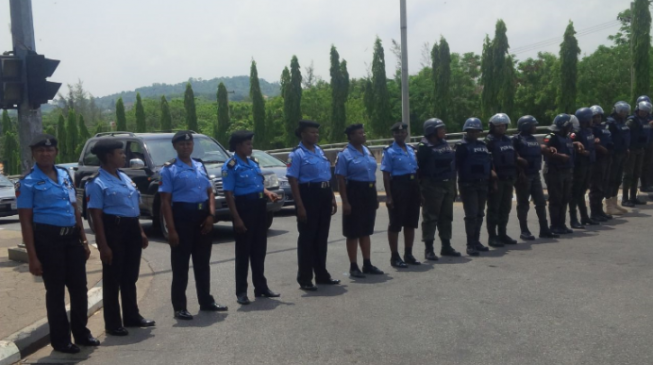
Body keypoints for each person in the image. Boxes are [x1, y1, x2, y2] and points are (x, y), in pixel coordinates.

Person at [16, 134, 99, 353]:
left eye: (49, 150)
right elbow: (25, 221)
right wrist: (32, 256)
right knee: (55, 292)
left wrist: (83, 240)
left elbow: (75, 209)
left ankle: (82, 333)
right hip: (47, 240)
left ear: (56, 152)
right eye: (40, 151)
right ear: (33, 154)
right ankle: (61, 341)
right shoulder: (27, 182)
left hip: (72, 238)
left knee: (79, 288)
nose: (45, 154)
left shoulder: (64, 174)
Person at [86, 138, 155, 335]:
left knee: (130, 276)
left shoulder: (124, 177)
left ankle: (132, 316)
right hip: (113, 230)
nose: (124, 156)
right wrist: (103, 244)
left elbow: (133, 208)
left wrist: (140, 231)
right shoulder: (97, 182)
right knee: (112, 278)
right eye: (120, 153)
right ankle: (113, 322)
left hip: (131, 228)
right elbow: (96, 215)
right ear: (108, 156)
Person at [159, 131, 227, 319]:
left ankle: (206, 301)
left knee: (202, 263)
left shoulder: (199, 165)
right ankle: (179, 307)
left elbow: (210, 191)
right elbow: (165, 201)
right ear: (175, 147)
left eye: (189, 144)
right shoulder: (169, 169)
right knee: (181, 266)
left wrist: (211, 215)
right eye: (182, 144)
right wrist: (171, 229)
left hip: (203, 215)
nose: (186, 147)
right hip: (182, 217)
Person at [223, 131, 282, 304]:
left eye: (251, 143)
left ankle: (261, 287)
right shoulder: (231, 166)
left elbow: (257, 185)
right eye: (248, 144)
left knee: (259, 249)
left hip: (259, 207)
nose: (251, 146)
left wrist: (268, 193)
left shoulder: (252, 163)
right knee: (243, 252)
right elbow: (228, 194)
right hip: (243, 208)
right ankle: (241, 291)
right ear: (238, 146)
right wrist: (237, 219)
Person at [287, 120, 340, 291]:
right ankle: (305, 277)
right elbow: (293, 180)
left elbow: (326, 176)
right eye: (311, 132)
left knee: (321, 237)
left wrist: (331, 196)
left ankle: (321, 274)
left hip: (324, 194)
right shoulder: (297, 154)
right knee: (307, 238)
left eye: (317, 132)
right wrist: (300, 205)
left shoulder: (319, 151)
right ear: (302, 134)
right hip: (307, 195)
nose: (315, 135)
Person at [335, 124, 384, 277]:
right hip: (354, 192)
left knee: (366, 230)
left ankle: (367, 263)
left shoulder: (367, 151)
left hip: (368, 191)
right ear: (351, 136)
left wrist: (375, 195)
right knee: (353, 231)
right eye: (359, 133)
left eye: (364, 132)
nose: (363, 135)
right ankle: (353, 266)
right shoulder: (344, 154)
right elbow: (341, 179)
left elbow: (372, 175)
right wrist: (345, 201)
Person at [416, 118, 461, 260]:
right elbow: (418, 170)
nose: (444, 130)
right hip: (431, 185)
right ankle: (429, 249)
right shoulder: (424, 147)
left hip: (447, 184)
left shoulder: (445, 144)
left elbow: (452, 167)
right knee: (430, 218)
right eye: (440, 128)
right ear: (431, 131)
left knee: (446, 217)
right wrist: (420, 190)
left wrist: (454, 187)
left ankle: (446, 245)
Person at [381, 122, 422, 267]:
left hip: (412, 186)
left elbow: (416, 171)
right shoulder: (389, 151)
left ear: (406, 133)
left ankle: (408, 253)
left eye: (403, 132)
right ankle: (395, 256)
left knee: (411, 222)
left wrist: (419, 192)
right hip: (398, 186)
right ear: (393, 135)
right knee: (395, 223)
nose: (400, 134)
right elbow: (386, 175)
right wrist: (389, 196)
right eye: (397, 133)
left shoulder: (411, 149)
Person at [513, 116, 559, 240]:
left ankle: (544, 229)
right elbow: (513, 156)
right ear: (526, 126)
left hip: (535, 174)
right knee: (523, 204)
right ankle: (524, 230)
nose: (535, 127)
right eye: (533, 125)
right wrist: (519, 172)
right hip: (524, 175)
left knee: (541, 202)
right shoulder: (517, 139)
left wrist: (547, 149)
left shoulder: (533, 139)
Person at [456, 118, 493, 256]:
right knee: (471, 215)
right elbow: (456, 167)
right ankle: (470, 244)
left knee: (479, 214)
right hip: (468, 184)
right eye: (471, 130)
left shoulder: (483, 145)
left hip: (482, 183)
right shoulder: (461, 146)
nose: (474, 133)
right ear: (467, 130)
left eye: (476, 130)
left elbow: (488, 164)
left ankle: (476, 241)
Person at [485, 113, 518, 247]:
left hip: (509, 177)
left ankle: (502, 234)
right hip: (496, 179)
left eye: (503, 126)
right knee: (494, 208)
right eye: (498, 126)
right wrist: (492, 178)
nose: (501, 128)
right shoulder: (489, 141)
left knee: (506, 208)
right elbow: (486, 160)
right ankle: (492, 236)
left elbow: (514, 157)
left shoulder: (508, 140)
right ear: (492, 127)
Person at [543, 114, 580, 235]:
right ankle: (554, 225)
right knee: (556, 199)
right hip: (555, 171)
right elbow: (545, 149)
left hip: (567, 171)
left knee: (565, 199)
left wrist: (576, 144)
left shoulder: (567, 137)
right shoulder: (552, 136)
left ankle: (562, 224)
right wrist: (559, 156)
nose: (571, 128)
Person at [569, 107, 599, 229]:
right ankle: (573, 219)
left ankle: (584, 217)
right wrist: (579, 149)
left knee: (582, 192)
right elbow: (568, 143)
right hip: (580, 165)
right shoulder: (576, 132)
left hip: (589, 164)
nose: (593, 119)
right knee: (575, 193)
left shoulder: (589, 130)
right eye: (591, 117)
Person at [622, 100, 652, 206]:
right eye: (642, 111)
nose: (643, 113)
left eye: (645, 111)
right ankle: (625, 199)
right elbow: (625, 133)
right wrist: (627, 147)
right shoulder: (632, 121)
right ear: (637, 109)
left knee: (636, 174)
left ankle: (633, 197)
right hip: (632, 150)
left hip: (641, 149)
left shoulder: (646, 120)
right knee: (628, 175)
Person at [588, 105, 614, 222]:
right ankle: (594, 212)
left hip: (606, 159)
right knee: (596, 187)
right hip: (597, 160)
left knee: (603, 185)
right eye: (595, 117)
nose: (597, 119)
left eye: (599, 116)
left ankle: (600, 210)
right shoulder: (590, 129)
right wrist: (598, 146)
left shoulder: (603, 127)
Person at [605, 101, 631, 215]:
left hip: (622, 153)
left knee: (617, 179)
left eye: (625, 111)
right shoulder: (610, 122)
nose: (624, 113)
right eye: (622, 111)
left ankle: (615, 203)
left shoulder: (622, 121)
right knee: (611, 179)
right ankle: (609, 205)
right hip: (614, 154)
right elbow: (608, 138)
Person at [636, 96, 653, 193]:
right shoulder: (637, 118)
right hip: (642, 145)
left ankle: (650, 184)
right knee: (644, 166)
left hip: (651, 143)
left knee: (650, 165)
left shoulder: (649, 116)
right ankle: (644, 184)